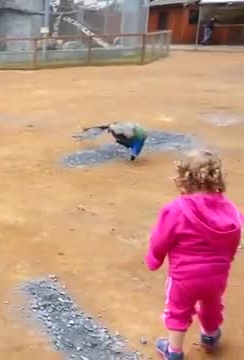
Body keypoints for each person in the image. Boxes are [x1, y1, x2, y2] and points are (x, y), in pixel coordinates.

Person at [146, 149, 241, 360]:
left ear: (183, 177)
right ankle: (210, 336)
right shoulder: (230, 209)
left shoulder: (175, 210)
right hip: (217, 275)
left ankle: (174, 352)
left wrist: (154, 259)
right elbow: (234, 236)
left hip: (184, 278)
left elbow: (161, 239)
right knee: (212, 303)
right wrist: (226, 259)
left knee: (178, 311)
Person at [82, 122, 148, 161]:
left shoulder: (134, 139)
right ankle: (88, 129)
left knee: (111, 130)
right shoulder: (136, 143)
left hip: (133, 131)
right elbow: (133, 156)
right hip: (134, 132)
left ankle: (88, 129)